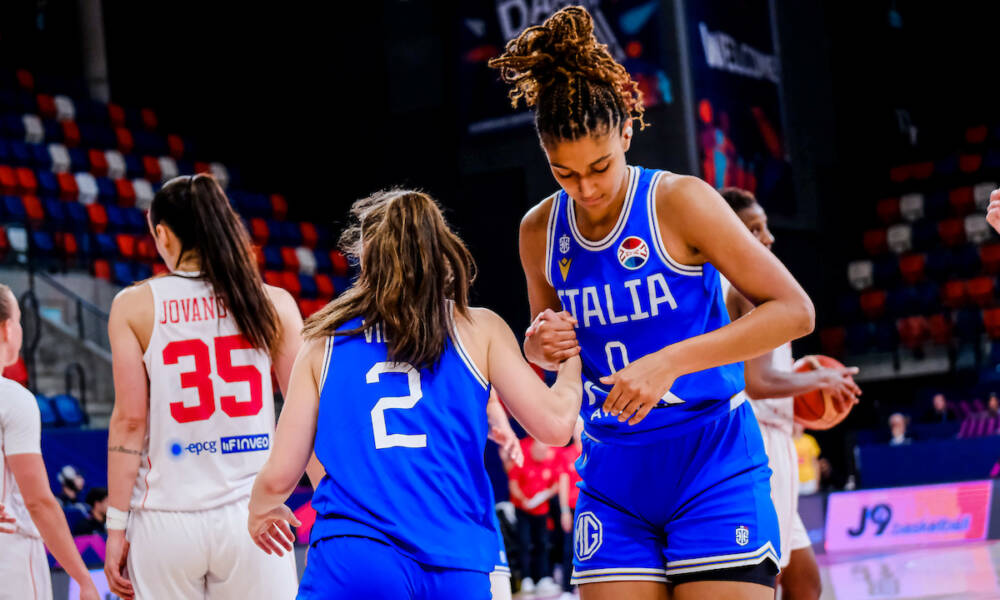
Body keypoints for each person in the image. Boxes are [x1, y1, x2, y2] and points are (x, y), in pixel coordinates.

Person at [490, 6, 814, 599]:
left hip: (711, 454)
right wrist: (539, 346)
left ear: (626, 132)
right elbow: (555, 350)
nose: (586, 188)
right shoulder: (538, 230)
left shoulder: (681, 201)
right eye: (564, 173)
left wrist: (669, 362)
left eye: (599, 166)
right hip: (612, 470)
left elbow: (795, 310)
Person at [246, 189, 583, 600]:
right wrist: (571, 355)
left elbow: (281, 473)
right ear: (440, 250)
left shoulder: (323, 341)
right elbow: (556, 426)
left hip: (356, 554)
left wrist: (260, 508)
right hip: (455, 559)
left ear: (364, 255)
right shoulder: (479, 328)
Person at [104, 174, 303, 600]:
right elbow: (307, 414)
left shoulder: (133, 306)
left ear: (162, 234)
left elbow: (129, 422)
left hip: (166, 520)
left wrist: (116, 527)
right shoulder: (274, 302)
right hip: (254, 515)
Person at [720, 187, 861, 600]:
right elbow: (759, 382)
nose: (768, 237)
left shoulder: (743, 286)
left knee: (805, 582)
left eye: (765, 226)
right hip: (760, 441)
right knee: (769, 578)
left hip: (771, 436)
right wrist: (820, 381)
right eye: (754, 229)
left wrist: (803, 380)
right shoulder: (746, 290)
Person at [0, 284, 101, 600]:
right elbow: (39, 502)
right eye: (19, 320)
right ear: (6, 329)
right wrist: (84, 580)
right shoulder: (13, 399)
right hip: (10, 552)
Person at [508, 437, 561, 596]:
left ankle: (542, 577)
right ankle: (526, 578)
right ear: (533, 449)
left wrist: (546, 494)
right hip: (523, 509)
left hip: (541, 510)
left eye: (545, 452)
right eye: (540, 452)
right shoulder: (522, 459)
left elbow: (556, 484)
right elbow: (513, 484)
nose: (542, 455)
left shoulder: (548, 462)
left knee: (542, 543)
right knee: (524, 543)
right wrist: (523, 500)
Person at [556, 419, 584, 599]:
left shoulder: (594, 451)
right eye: (576, 428)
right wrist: (564, 510)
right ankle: (567, 589)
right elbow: (563, 484)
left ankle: (586, 587)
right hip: (573, 508)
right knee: (569, 548)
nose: (578, 431)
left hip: (592, 507)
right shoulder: (566, 455)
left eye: (581, 427)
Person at [794, 425, 822, 495]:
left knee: (811, 501)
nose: (798, 425)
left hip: (809, 479)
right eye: (796, 423)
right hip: (794, 479)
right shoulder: (789, 441)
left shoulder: (809, 440)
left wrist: (817, 482)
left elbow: (815, 463)